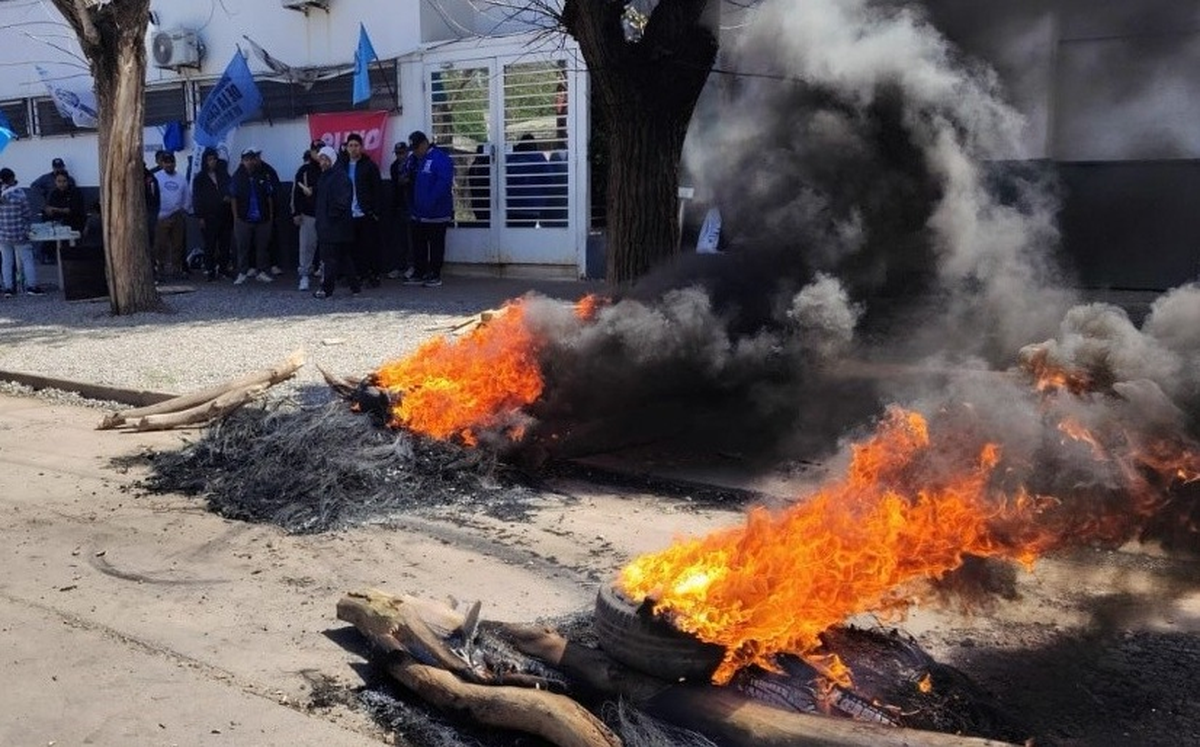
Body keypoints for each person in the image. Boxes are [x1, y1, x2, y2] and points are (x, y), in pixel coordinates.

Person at [404, 130, 454, 288]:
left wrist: (429, 203)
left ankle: (435, 273)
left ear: (425, 144)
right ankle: (419, 272)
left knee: (436, 244)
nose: (415, 151)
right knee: (418, 243)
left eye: (417, 148)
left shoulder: (440, 158)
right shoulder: (414, 160)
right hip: (418, 213)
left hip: (437, 213)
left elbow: (443, 184)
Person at [312, 145, 358, 299]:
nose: (323, 162)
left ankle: (326, 290)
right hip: (333, 226)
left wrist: (329, 219)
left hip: (333, 227)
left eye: (326, 159)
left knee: (329, 260)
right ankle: (355, 287)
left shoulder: (338, 177)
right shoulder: (327, 177)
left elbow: (341, 202)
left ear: (332, 160)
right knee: (344, 258)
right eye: (321, 159)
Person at [228, 146, 275, 285]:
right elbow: (233, 198)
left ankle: (261, 272)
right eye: (246, 159)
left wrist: (270, 215)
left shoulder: (262, 175)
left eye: (252, 159)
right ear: (242, 161)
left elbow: (269, 196)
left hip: (262, 218)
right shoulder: (237, 177)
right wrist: (236, 217)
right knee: (242, 247)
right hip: (243, 219)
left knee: (262, 247)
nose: (249, 162)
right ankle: (242, 272)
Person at [343, 132, 383, 287]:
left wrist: (375, 211)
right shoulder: (342, 166)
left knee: (369, 246)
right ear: (346, 147)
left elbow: (377, 190)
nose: (353, 148)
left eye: (356, 145)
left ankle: (373, 275)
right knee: (352, 247)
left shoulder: (369, 166)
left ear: (362, 147)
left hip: (366, 213)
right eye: (351, 145)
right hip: (348, 214)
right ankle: (356, 275)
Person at [0, 168, 44, 296]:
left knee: (6, 262)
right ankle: (31, 286)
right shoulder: (19, 193)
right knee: (27, 260)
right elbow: (27, 213)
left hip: (3, 234)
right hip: (19, 233)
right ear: (12, 178)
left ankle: (8, 288)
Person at [192, 147, 233, 281]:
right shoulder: (199, 178)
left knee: (225, 244)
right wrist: (200, 216)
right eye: (209, 159)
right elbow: (197, 198)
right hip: (209, 216)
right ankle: (210, 270)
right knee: (210, 244)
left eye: (214, 159)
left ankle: (223, 269)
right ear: (205, 161)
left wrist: (228, 196)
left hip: (225, 215)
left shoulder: (223, 175)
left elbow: (231, 188)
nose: (212, 162)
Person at [291, 141, 323, 291]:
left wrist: (313, 190)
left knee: (326, 247)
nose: (318, 153)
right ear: (311, 152)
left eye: (321, 150)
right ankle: (304, 276)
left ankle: (325, 274)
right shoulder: (304, 170)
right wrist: (296, 213)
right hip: (308, 214)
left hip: (326, 215)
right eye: (315, 150)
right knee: (306, 247)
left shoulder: (329, 169)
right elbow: (295, 193)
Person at [153, 152, 191, 279]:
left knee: (178, 244)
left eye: (171, 162)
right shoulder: (156, 177)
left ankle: (176, 269)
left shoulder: (181, 178)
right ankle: (160, 269)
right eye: (166, 162)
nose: (169, 165)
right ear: (162, 163)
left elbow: (186, 196)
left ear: (175, 163)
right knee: (160, 245)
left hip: (177, 215)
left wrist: (184, 210)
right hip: (161, 216)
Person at [386, 141, 414, 279]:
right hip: (399, 205)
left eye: (402, 153)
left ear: (407, 152)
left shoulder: (413, 164)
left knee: (411, 239)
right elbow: (396, 185)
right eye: (397, 153)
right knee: (399, 238)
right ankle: (399, 265)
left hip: (411, 205)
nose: (399, 156)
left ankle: (412, 265)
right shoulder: (394, 166)